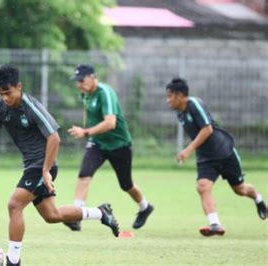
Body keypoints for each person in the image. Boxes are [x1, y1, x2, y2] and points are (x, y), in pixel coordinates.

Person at [0, 64, 120, 266]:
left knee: (14, 205)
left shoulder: (31, 107)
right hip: (33, 166)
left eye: (8, 93)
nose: (5, 97)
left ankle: (13, 260)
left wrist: (46, 170)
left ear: (19, 86)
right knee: (52, 215)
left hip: (42, 165)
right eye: (1, 93)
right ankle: (101, 213)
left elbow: (54, 138)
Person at [165, 78, 266, 236]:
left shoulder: (194, 104)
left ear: (179, 95)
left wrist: (188, 149)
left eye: (170, 96)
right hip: (206, 157)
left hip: (224, 151)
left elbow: (208, 129)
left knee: (240, 189)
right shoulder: (180, 114)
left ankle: (258, 198)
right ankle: (215, 224)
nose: (168, 100)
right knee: (202, 187)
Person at [64, 64, 154, 232]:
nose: (79, 84)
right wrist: (90, 133)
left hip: (119, 145)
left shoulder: (105, 92)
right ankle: (76, 216)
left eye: (81, 80)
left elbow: (110, 122)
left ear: (92, 77)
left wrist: (85, 132)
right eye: (77, 81)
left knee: (126, 184)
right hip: (98, 143)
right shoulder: (85, 94)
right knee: (84, 175)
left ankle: (145, 207)